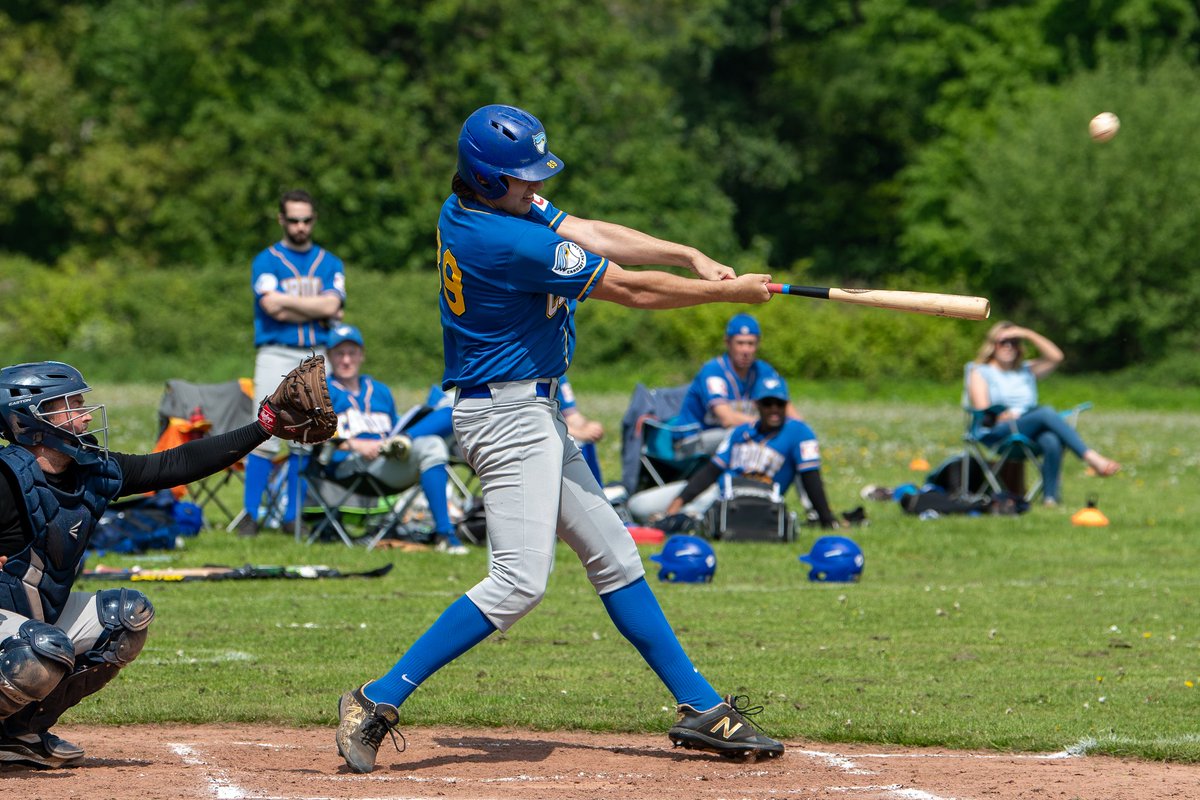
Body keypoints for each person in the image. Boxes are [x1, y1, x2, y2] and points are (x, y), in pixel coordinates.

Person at [334, 103, 784, 774]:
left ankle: (699, 705)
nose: (535, 189)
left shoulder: (480, 210)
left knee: (614, 556)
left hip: (529, 414)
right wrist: (724, 296)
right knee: (518, 583)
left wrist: (691, 255)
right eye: (522, 179)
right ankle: (376, 699)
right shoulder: (508, 241)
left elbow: (591, 230)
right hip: (506, 418)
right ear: (487, 181)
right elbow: (629, 289)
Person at [0, 358, 329, 768]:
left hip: (30, 620)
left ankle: (18, 733)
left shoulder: (91, 471)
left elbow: (174, 464)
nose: (84, 413)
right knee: (39, 650)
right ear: (29, 419)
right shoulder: (7, 477)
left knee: (125, 618)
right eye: (69, 403)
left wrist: (263, 426)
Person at [241, 189, 346, 537]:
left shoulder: (329, 262)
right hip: (275, 350)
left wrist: (291, 303)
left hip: (316, 353)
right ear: (281, 219)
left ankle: (292, 517)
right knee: (265, 428)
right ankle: (250, 515)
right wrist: (316, 304)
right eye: (293, 220)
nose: (300, 226)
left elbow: (333, 308)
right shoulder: (266, 260)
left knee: (307, 430)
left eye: (307, 220)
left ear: (313, 219)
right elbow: (271, 306)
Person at [322, 324, 467, 553]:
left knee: (450, 413)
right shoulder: (322, 391)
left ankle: (444, 535)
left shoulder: (379, 390)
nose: (346, 360)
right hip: (352, 464)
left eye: (352, 353)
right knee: (432, 444)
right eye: (339, 354)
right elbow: (308, 435)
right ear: (329, 357)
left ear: (362, 355)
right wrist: (353, 444)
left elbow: (393, 422)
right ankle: (446, 535)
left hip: (388, 458)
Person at [627, 375, 837, 528]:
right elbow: (711, 471)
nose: (774, 409)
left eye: (779, 403)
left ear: (786, 405)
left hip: (749, 500)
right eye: (767, 403)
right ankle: (675, 517)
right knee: (637, 505)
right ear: (757, 405)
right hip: (718, 490)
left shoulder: (800, 432)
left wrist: (827, 520)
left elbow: (811, 478)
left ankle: (680, 520)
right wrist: (677, 502)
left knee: (694, 512)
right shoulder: (742, 431)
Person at [967, 321, 1120, 506]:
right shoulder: (980, 372)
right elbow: (984, 412)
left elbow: (1056, 357)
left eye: (1014, 342)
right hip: (997, 430)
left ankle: (1050, 499)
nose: (1008, 346)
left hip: (1028, 428)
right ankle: (1091, 458)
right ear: (993, 345)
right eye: (1003, 342)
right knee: (1045, 412)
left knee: (1050, 439)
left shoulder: (1025, 371)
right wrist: (1002, 415)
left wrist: (1026, 332)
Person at [671, 313, 803, 456]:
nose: (745, 350)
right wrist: (770, 426)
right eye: (740, 343)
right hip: (691, 441)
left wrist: (800, 433)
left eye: (750, 343)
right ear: (728, 343)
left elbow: (792, 413)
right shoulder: (714, 371)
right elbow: (727, 419)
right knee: (738, 436)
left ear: (757, 344)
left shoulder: (763, 371)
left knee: (794, 439)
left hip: (730, 438)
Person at [558, 375, 605, 485]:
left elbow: (572, 415)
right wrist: (579, 433)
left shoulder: (559, 374)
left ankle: (596, 491)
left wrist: (588, 427)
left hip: (561, 430)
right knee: (578, 442)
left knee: (586, 440)